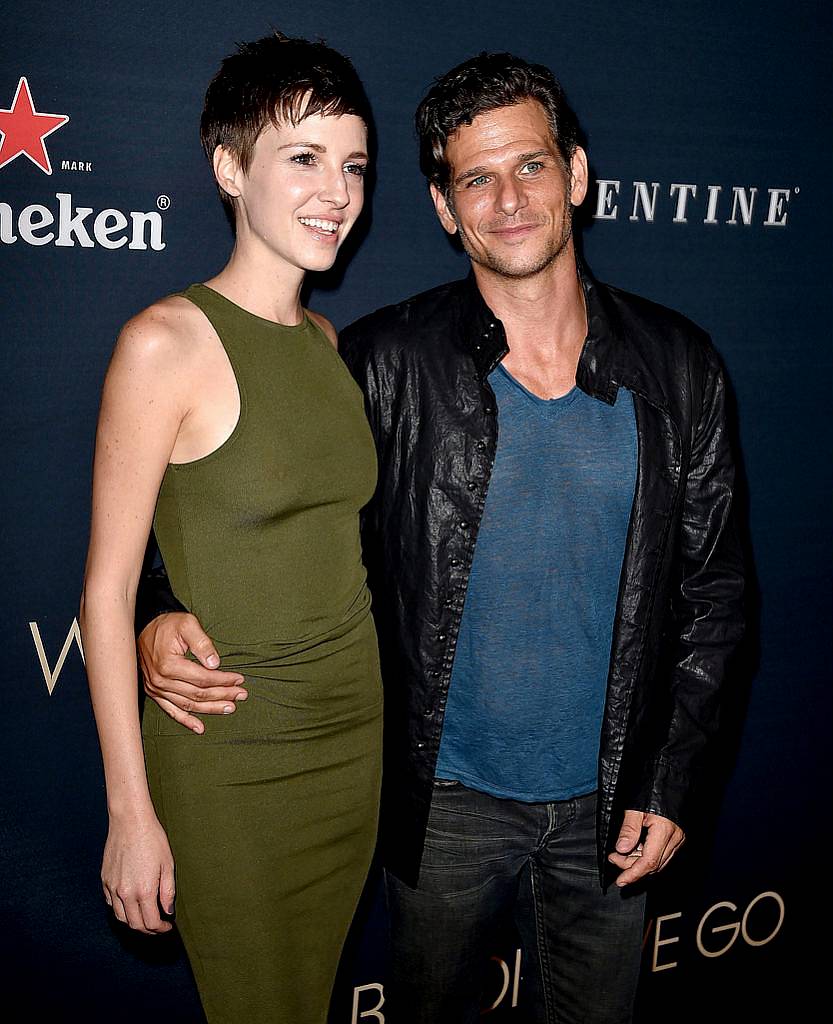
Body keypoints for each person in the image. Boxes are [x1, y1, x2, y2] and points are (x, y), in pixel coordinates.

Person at [136, 52, 745, 1024]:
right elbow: (238, 502)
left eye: (530, 166)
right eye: (475, 178)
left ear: (576, 175)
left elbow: (712, 592)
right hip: (443, 806)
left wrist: (668, 780)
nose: (507, 199)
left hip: (611, 802)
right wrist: (161, 606)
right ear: (442, 206)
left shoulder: (677, 365)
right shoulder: (383, 361)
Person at [79, 33, 382, 1024]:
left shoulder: (329, 342)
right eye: (301, 158)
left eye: (352, 167)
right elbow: (106, 593)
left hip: (350, 752)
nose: (335, 191)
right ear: (227, 167)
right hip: (232, 759)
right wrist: (130, 812)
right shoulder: (163, 343)